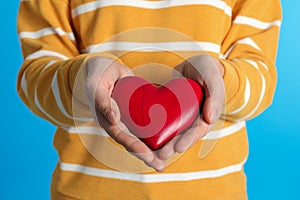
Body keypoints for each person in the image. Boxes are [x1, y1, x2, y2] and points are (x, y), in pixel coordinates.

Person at [17, 0, 282, 199]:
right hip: (85, 192)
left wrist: (223, 80)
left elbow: (261, 79)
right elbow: (33, 80)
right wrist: (81, 79)